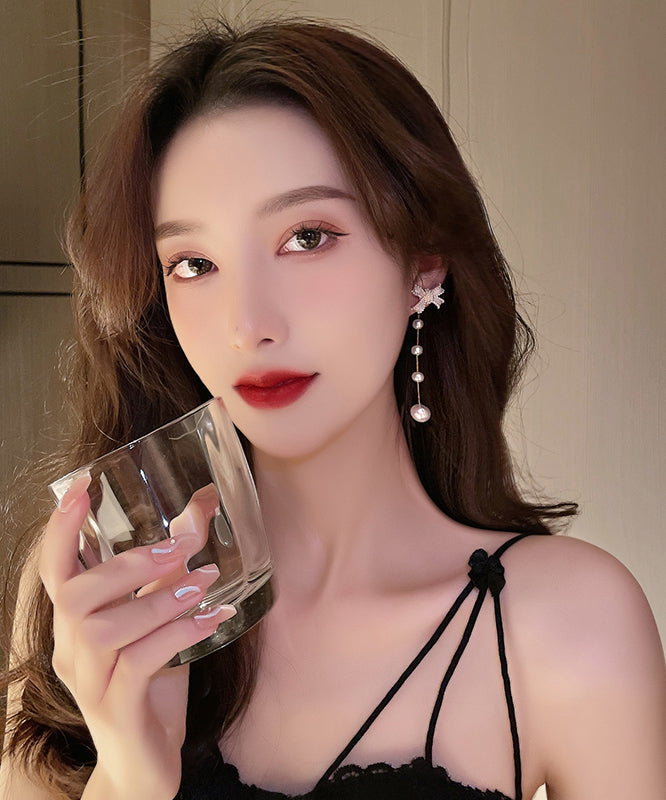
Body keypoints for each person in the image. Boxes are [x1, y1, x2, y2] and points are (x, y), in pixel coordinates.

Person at [1, 16, 664, 800]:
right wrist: (131, 774)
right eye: (194, 263)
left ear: (423, 262)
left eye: (308, 237)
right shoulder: (98, 589)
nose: (249, 325)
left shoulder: (569, 624)